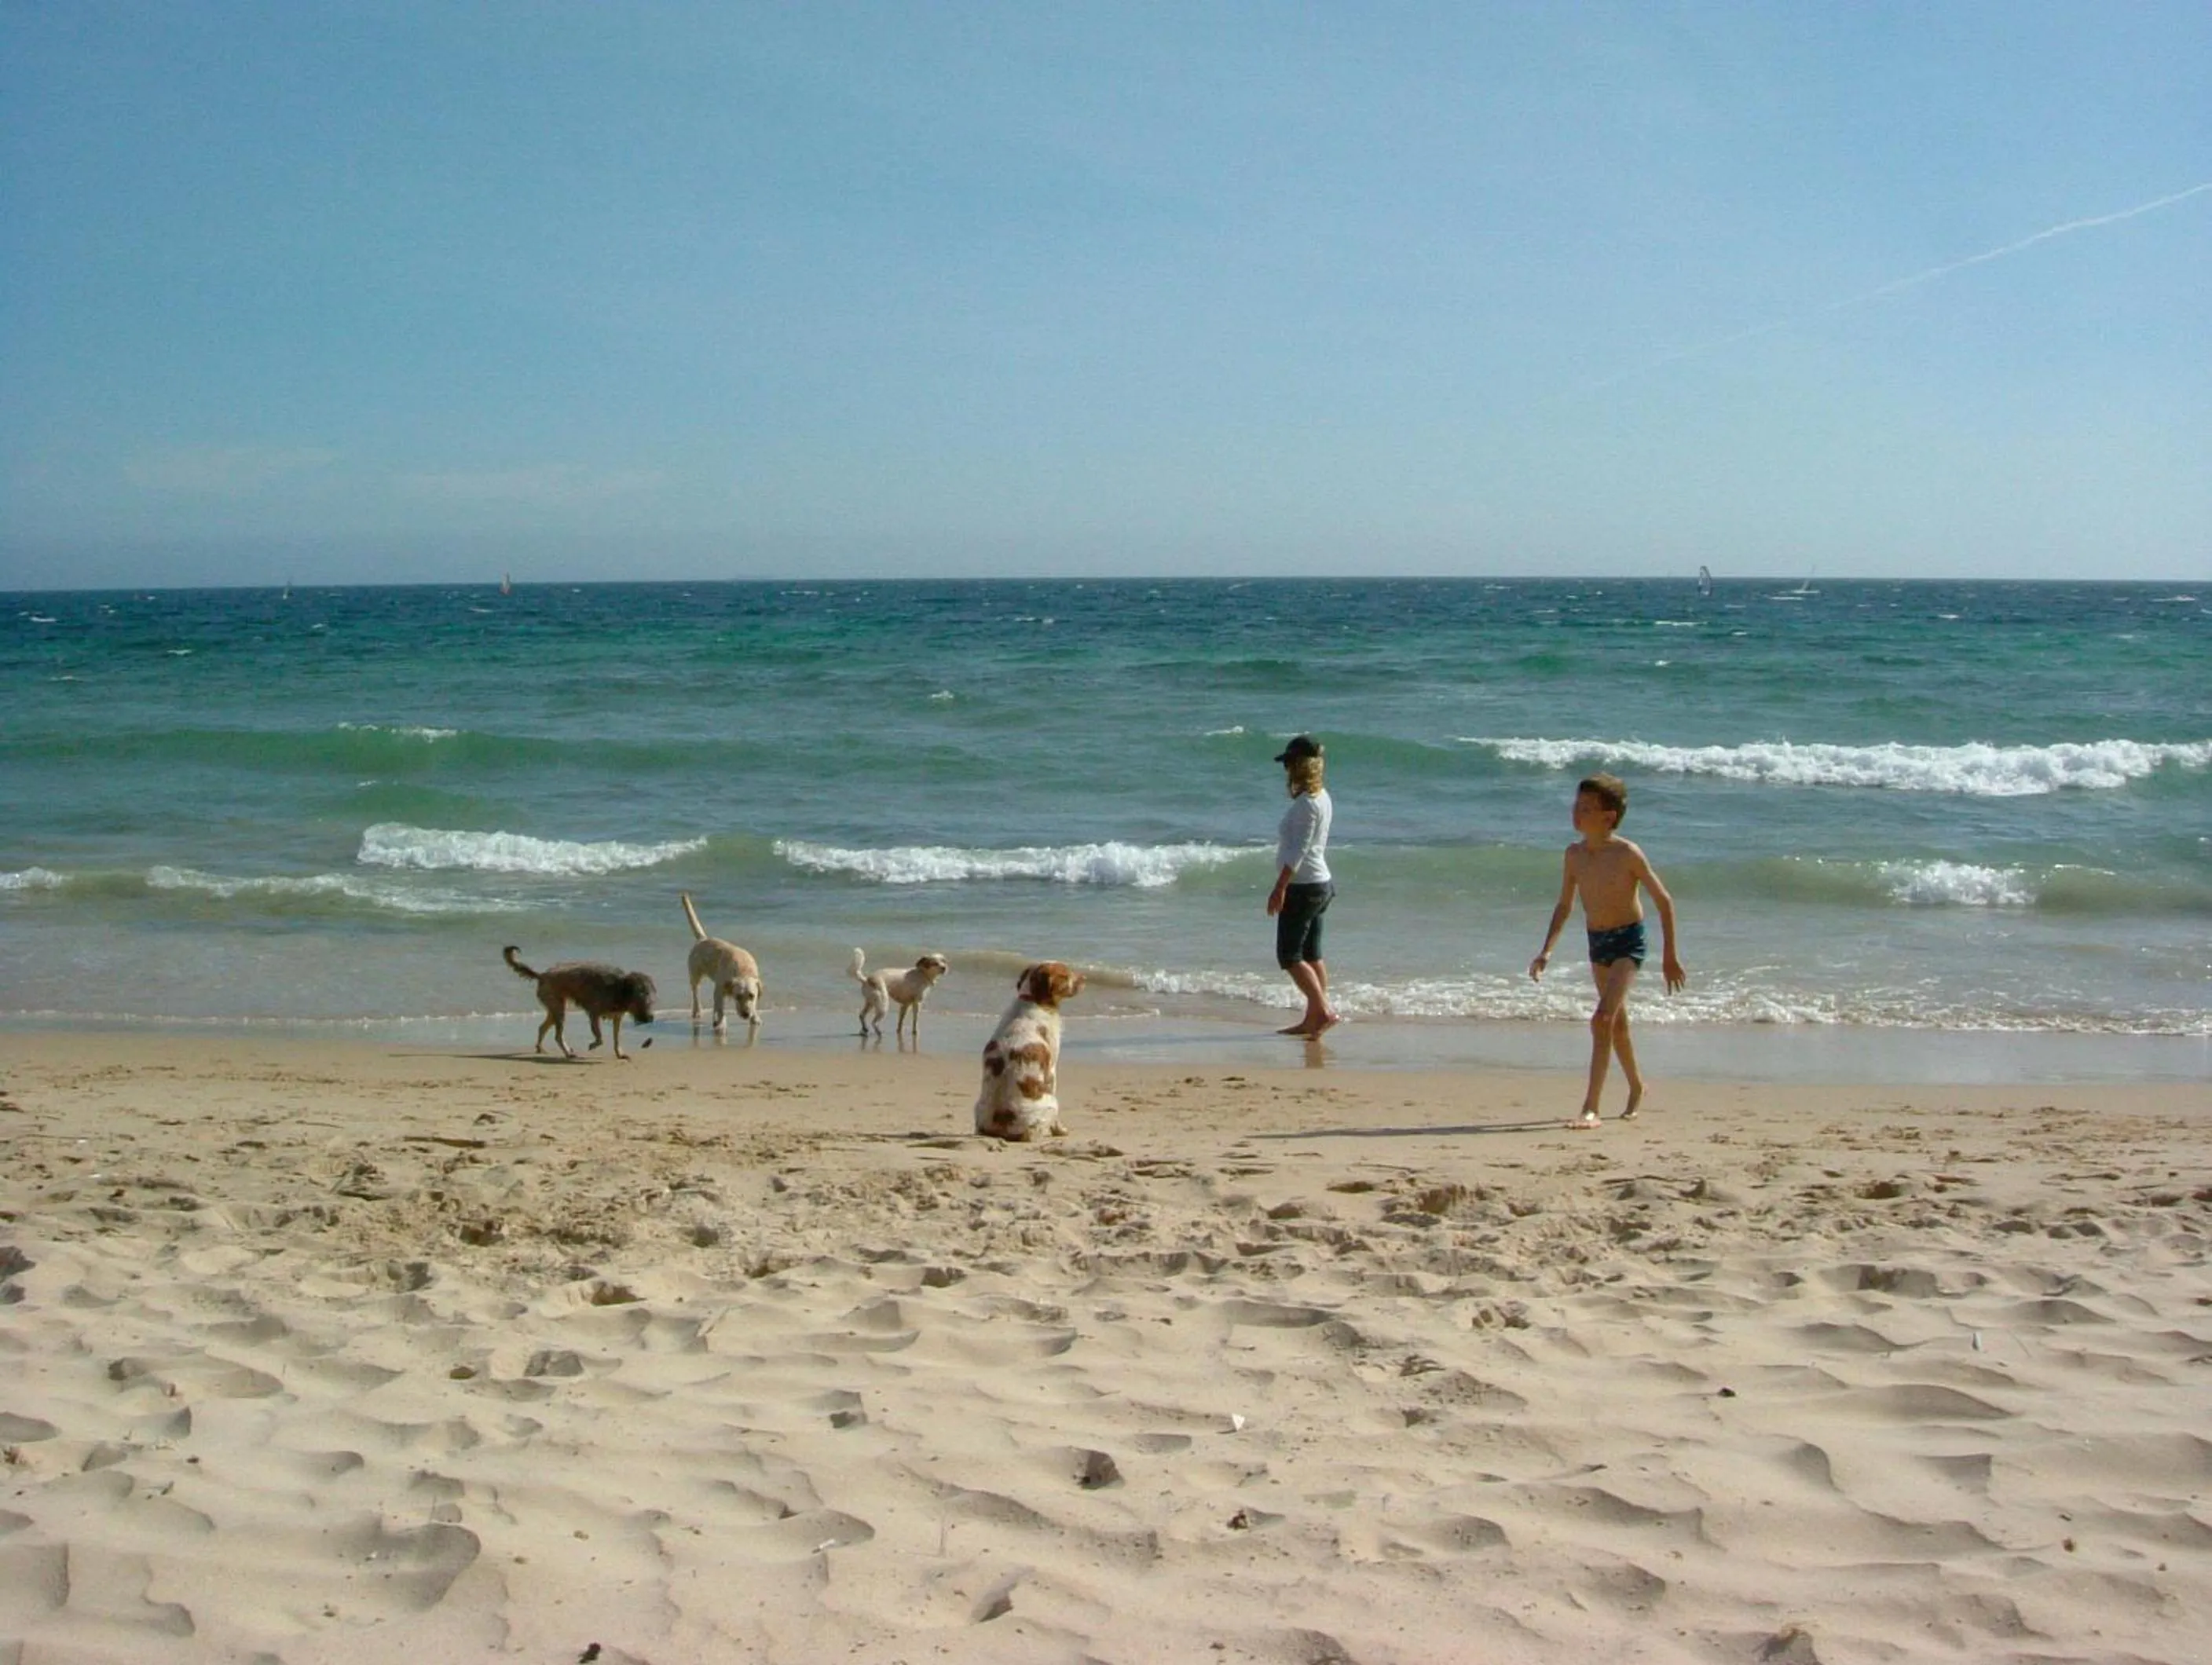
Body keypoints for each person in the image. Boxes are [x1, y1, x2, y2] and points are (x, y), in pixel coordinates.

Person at [1529, 773, 1684, 1127]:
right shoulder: (1574, 855)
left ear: (1608, 817)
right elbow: (1565, 906)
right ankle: (1637, 1086)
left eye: (1587, 808)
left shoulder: (1627, 853)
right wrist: (1546, 951)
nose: (1577, 812)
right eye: (1577, 805)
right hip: (1597, 941)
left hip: (1629, 940)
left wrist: (1670, 957)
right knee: (1616, 1025)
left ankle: (1591, 1108)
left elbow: (1664, 901)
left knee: (1601, 1019)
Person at [1266, 734, 1340, 1037]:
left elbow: (1299, 850)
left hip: (1304, 887)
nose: (1286, 771)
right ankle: (1314, 1016)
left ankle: (1322, 1011)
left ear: (1300, 766)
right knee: (1312, 954)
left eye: (1289, 764)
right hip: (1320, 884)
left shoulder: (1307, 805)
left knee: (1289, 956)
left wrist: (1280, 887)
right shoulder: (1322, 797)